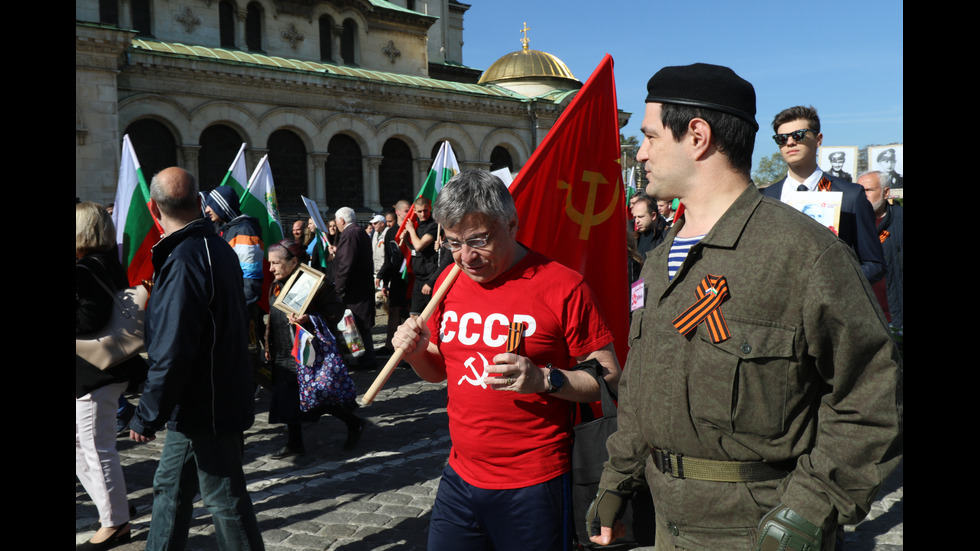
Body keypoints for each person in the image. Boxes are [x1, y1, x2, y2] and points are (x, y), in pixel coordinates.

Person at [587, 64, 902, 551]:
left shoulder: (804, 255)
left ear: (697, 136)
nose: (640, 151)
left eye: (649, 136)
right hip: (669, 526)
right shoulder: (654, 263)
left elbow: (873, 395)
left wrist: (811, 508)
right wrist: (618, 477)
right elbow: (643, 389)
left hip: (761, 531)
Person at [392, 170, 621, 551]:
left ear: (511, 224)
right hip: (460, 477)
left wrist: (546, 379)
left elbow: (611, 379)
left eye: (479, 240)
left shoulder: (564, 286)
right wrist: (417, 354)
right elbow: (438, 370)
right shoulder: (450, 279)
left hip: (535, 483)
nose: (467, 257)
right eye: (453, 243)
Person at [128, 167, 264, 551]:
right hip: (201, 399)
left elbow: (173, 348)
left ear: (154, 208)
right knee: (169, 488)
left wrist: (148, 411)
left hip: (210, 401)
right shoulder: (212, 245)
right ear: (199, 202)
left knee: (224, 499)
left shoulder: (189, 256)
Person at [76, 201, 146, 550]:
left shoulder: (87, 269)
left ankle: (115, 524)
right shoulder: (105, 262)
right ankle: (114, 505)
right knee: (81, 446)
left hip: (96, 373)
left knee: (95, 446)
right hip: (98, 373)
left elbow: (89, 320)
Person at [762, 105, 885, 283]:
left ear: (818, 139)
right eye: (781, 139)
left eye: (798, 135)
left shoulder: (850, 196)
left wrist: (834, 286)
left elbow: (874, 264)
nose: (789, 143)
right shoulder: (766, 197)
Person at [265, 240, 364, 458]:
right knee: (289, 398)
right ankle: (294, 443)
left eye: (276, 263)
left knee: (319, 397)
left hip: (306, 350)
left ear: (292, 262)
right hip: (282, 349)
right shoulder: (277, 284)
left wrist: (310, 317)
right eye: (270, 263)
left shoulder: (314, 283)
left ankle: (354, 422)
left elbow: (336, 310)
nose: (271, 268)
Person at [203, 186, 264, 309]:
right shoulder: (225, 229)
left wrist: (243, 308)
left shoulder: (245, 230)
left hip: (239, 307)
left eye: (211, 205)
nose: (207, 210)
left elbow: (250, 274)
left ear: (222, 206)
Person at [858, 170, 903, 328]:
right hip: (864, 319)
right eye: (859, 191)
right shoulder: (849, 223)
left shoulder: (900, 219)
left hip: (897, 320)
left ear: (886, 192)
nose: (863, 195)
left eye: (868, 190)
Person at [333, 207, 377, 367]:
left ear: (342, 221)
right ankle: (365, 357)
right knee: (360, 324)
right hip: (360, 287)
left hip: (355, 290)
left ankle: (366, 359)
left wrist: (339, 288)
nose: (337, 224)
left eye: (337, 221)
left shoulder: (350, 234)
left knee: (357, 324)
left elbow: (346, 264)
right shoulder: (357, 232)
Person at [403, 196, 439, 316]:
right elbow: (415, 251)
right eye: (419, 211)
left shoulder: (434, 225)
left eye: (425, 210)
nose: (423, 214)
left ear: (430, 208)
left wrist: (411, 230)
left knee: (430, 315)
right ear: (414, 212)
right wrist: (406, 241)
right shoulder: (417, 225)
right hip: (418, 278)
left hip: (430, 277)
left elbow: (419, 246)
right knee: (414, 315)